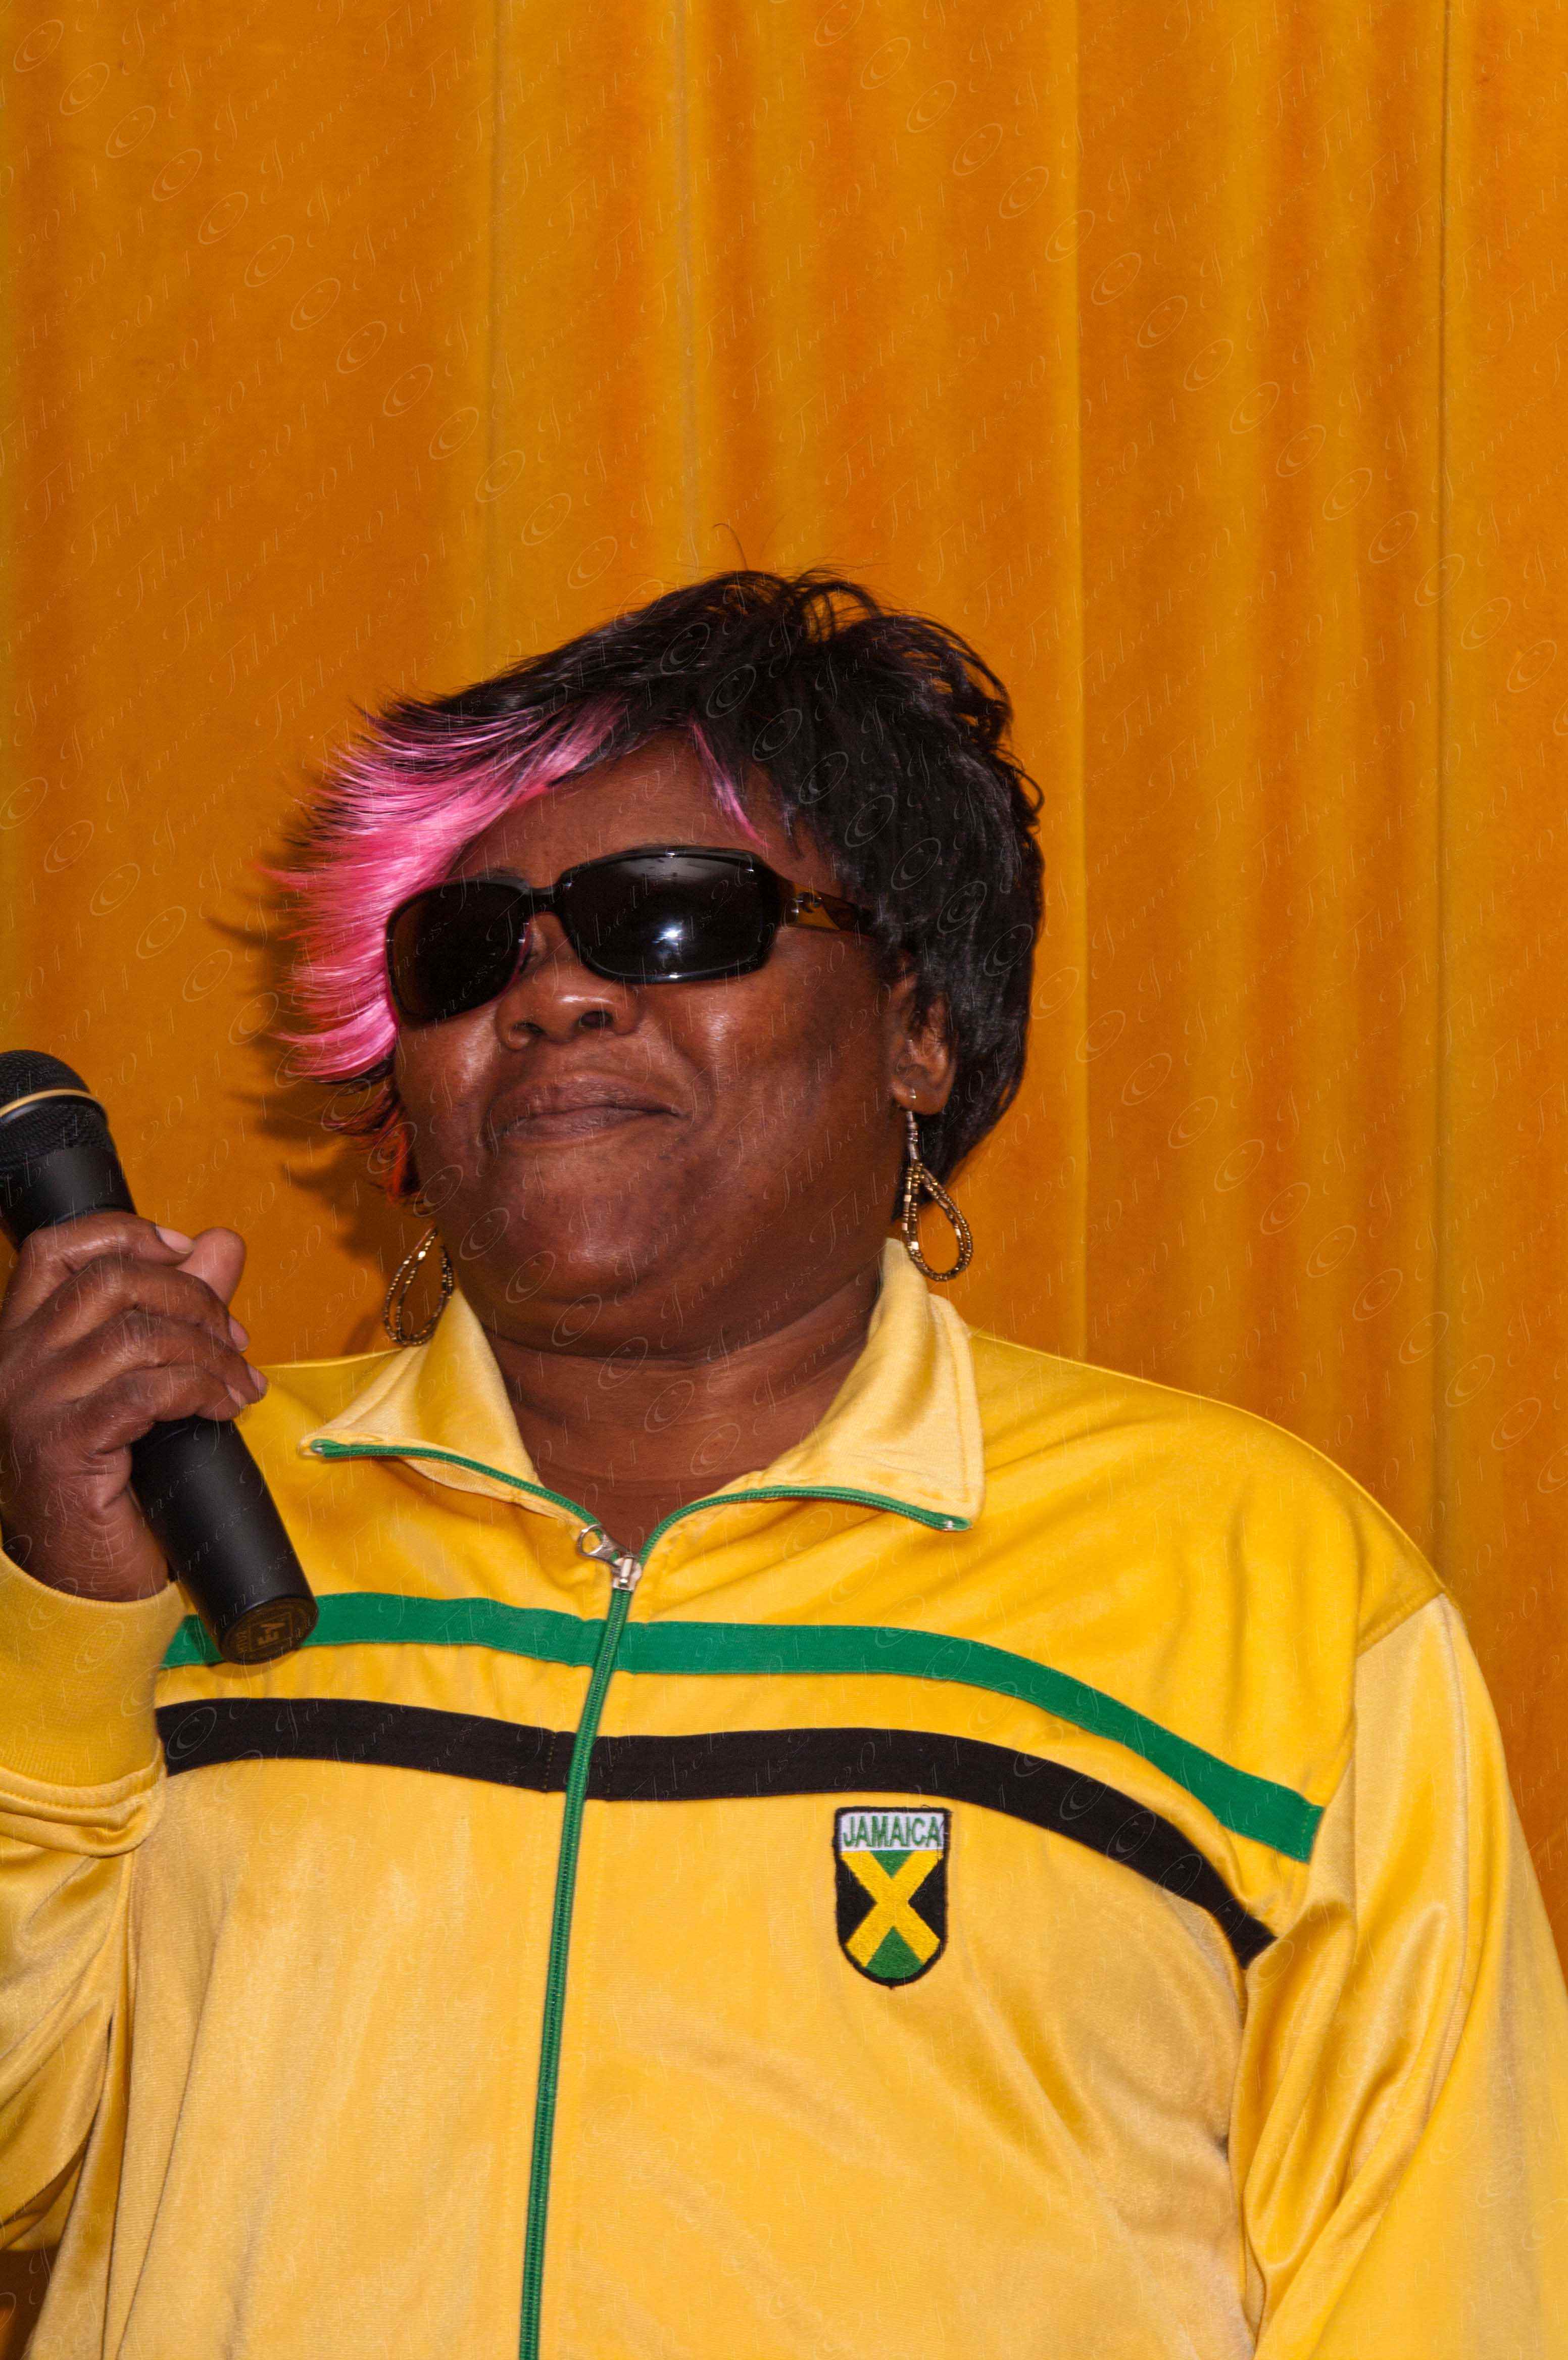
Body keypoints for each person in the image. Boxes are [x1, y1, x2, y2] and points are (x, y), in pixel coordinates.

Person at [0, 571, 1564, 2360]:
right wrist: (60, 1624)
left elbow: (1447, 2292)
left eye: (671, 919)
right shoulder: (152, 1520)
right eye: (467, 949)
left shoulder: (1264, 1582)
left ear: (919, 1026)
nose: (554, 994)